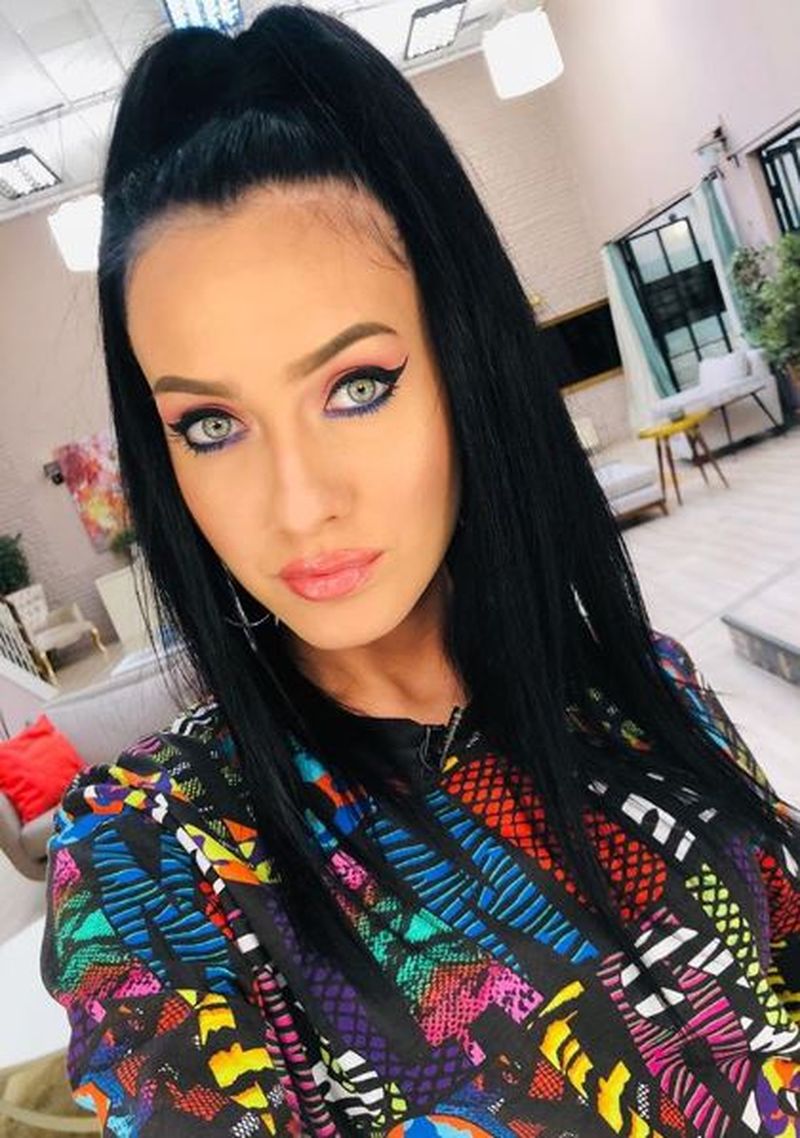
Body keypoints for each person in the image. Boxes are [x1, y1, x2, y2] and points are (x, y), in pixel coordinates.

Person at [41, 6, 800, 1136]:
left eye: (356, 386)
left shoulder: (645, 683)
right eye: (210, 425)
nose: (297, 503)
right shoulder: (153, 859)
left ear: (464, 360)